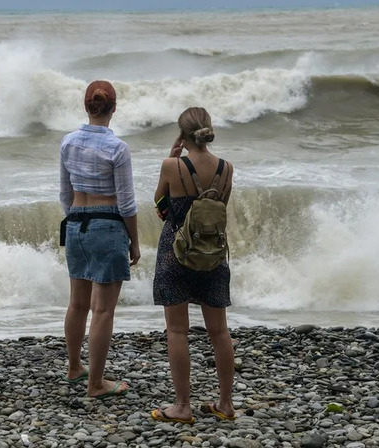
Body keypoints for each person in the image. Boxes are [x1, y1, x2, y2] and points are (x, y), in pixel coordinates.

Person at [150, 107, 235, 424]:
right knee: (220, 331)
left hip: (177, 253)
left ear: (182, 135)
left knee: (177, 331)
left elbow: (161, 208)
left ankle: (182, 407)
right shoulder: (226, 168)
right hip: (212, 254)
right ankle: (225, 404)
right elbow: (216, 209)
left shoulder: (172, 166)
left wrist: (172, 157)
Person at [59, 80, 140, 399]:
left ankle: (74, 368)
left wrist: (78, 215)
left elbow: (65, 194)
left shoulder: (68, 142)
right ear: (114, 108)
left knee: (77, 303)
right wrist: (134, 240)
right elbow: (127, 203)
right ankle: (96, 384)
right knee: (102, 310)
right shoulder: (118, 148)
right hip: (107, 226)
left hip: (76, 223)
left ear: (86, 106)